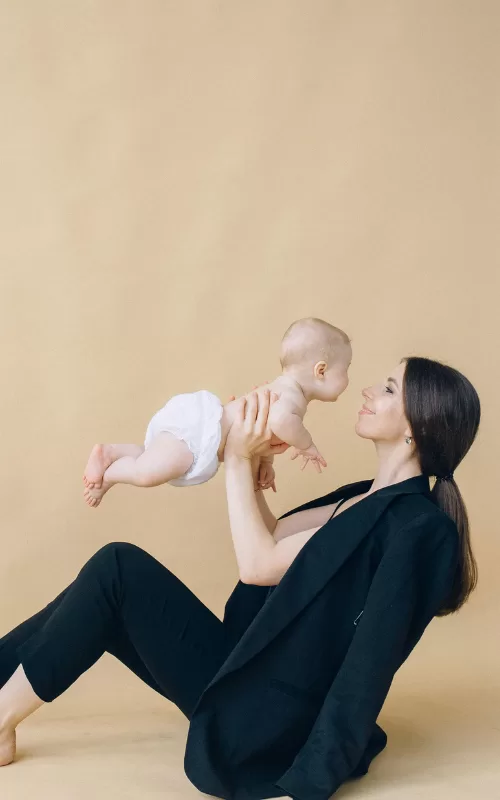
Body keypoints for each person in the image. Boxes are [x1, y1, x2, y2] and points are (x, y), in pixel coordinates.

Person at [0, 357, 480, 800]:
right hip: (249, 667)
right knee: (115, 574)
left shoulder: (418, 527)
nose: (370, 391)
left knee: (118, 570)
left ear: (418, 426)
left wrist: (314, 777)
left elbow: (360, 653)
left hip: (270, 718)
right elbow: (272, 535)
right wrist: (249, 459)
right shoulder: (363, 498)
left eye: (390, 389)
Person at [82, 317, 352, 507]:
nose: (348, 379)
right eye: (346, 370)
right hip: (201, 432)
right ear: (321, 370)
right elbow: (281, 421)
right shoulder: (292, 397)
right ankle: (111, 471)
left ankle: (112, 458)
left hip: (201, 426)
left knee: (152, 459)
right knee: (146, 474)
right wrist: (307, 445)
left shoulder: (283, 391)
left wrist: (266, 464)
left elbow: (262, 430)